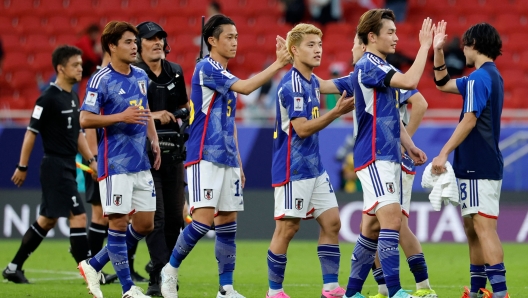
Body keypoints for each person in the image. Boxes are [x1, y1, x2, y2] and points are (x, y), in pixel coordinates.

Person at [159, 14, 291, 298]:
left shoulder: (223, 74)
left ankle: (226, 288)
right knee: (203, 221)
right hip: (204, 155)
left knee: (228, 223)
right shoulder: (207, 68)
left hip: (227, 159)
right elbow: (246, 87)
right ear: (212, 40)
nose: (234, 42)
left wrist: (239, 163)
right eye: (228, 37)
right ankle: (169, 270)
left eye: (236, 37)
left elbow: (229, 124)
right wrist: (279, 64)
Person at [318, 9, 432, 298]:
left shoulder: (374, 66)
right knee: (392, 220)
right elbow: (410, 84)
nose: (395, 37)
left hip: (387, 154)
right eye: (390, 32)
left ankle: (352, 292)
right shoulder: (370, 64)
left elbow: (390, 115)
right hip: (375, 155)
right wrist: (424, 47)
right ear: (372, 36)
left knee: (370, 226)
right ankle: (394, 291)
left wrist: (409, 145)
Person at [266, 23, 354, 298]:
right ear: (294, 50)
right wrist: (336, 113)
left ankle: (330, 287)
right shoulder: (291, 84)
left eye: (319, 45)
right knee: (288, 227)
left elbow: (341, 83)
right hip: (293, 167)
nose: (318, 50)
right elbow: (302, 128)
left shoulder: (313, 82)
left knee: (332, 223)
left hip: (314, 168)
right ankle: (274, 291)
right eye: (310, 45)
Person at [77, 20, 161, 298]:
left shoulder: (140, 75)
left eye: (135, 41)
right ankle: (128, 288)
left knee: (145, 224)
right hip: (116, 164)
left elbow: (145, 108)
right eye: (128, 42)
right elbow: (86, 118)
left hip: (141, 163)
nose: (134, 46)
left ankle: (94, 263)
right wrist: (119, 117)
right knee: (117, 223)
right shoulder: (100, 78)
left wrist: (154, 139)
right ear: (112, 46)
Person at [2, 45, 96, 284]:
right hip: (54, 166)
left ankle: (13, 267)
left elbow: (77, 135)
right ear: (60, 68)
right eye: (75, 64)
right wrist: (22, 166)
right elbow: (30, 133)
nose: (80, 68)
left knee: (47, 220)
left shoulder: (73, 96)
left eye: (80, 64)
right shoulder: (48, 98)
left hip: (68, 165)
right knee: (79, 217)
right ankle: (90, 272)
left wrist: (91, 160)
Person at [431, 21, 509, 298]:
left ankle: (500, 293)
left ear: (474, 44)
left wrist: (443, 152)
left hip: (479, 163)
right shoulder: (488, 76)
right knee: (473, 228)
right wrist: (438, 51)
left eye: (465, 44)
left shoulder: (479, 79)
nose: (462, 49)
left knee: (483, 227)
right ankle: (477, 291)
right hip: (476, 163)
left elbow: (470, 119)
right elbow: (442, 84)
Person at [134, 21, 190, 296]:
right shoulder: (133, 75)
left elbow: (183, 108)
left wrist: (183, 120)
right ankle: (159, 274)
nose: (157, 42)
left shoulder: (175, 72)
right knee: (155, 217)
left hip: (173, 151)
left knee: (173, 219)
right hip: (143, 154)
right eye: (150, 39)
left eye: (160, 38)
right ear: (138, 45)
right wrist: (155, 116)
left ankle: (163, 269)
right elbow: (128, 112)